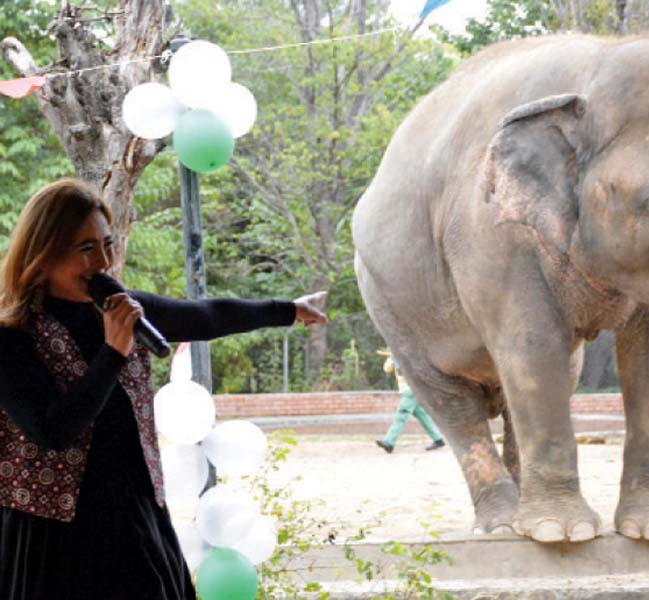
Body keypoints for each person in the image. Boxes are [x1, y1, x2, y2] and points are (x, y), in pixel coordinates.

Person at [0, 178, 327, 600]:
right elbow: (53, 432)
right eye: (85, 249)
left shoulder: (124, 308)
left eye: (108, 244)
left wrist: (286, 310)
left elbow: (204, 316)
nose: (103, 261)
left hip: (135, 515)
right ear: (43, 254)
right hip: (55, 534)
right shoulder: (13, 335)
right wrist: (113, 353)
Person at [375, 350, 445, 454]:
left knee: (401, 416)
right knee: (423, 416)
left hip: (411, 391)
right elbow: (387, 369)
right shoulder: (396, 358)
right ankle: (438, 439)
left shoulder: (410, 356)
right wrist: (392, 358)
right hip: (408, 391)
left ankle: (389, 442)